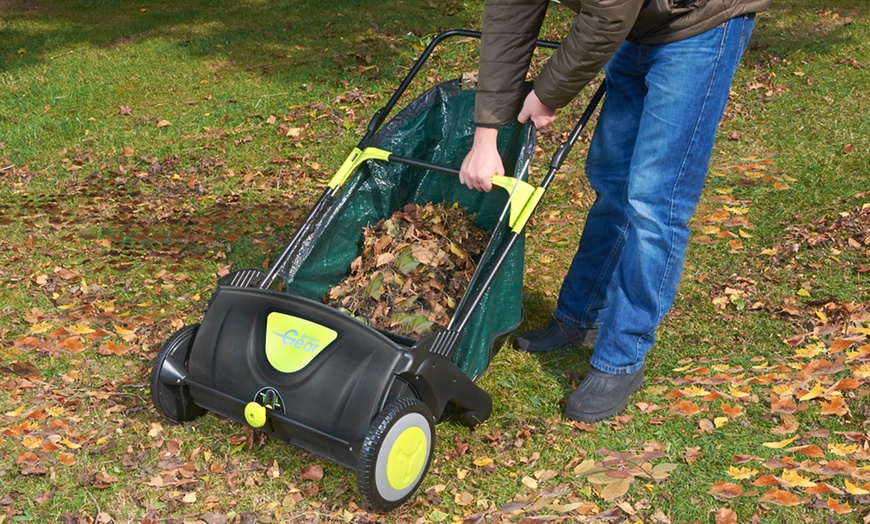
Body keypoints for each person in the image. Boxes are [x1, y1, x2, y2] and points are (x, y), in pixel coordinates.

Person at [459, 0, 769, 423]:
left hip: (701, 23)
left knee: (655, 199)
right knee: (612, 178)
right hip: (638, 24)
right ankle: (580, 316)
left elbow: (608, 14)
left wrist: (547, 93)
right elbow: (509, 15)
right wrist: (486, 132)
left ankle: (621, 356)